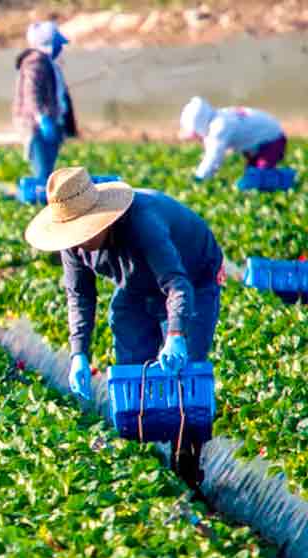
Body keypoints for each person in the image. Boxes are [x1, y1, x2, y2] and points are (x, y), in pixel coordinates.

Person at [24, 167, 222, 497]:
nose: (79, 240)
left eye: (83, 231)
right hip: (134, 284)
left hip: (192, 275)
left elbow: (177, 284)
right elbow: (80, 295)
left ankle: (186, 460)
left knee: (184, 371)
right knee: (133, 362)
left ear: (101, 219)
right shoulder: (72, 244)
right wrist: (78, 354)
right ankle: (146, 454)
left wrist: (175, 336)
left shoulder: (143, 223)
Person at [13, 21, 78, 185]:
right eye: (58, 43)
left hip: (50, 123)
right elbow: (31, 92)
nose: (61, 47)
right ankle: (36, 198)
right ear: (48, 42)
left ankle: (43, 195)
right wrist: (42, 118)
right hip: (36, 126)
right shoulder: (35, 62)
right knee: (43, 172)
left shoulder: (48, 62)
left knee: (48, 170)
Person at [180, 96, 287, 181]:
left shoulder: (219, 127)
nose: (196, 138)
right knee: (252, 174)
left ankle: (288, 180)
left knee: (259, 178)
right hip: (258, 142)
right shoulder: (218, 117)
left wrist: (199, 178)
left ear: (200, 125)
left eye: (195, 133)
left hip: (272, 140)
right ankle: (278, 179)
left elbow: (213, 157)